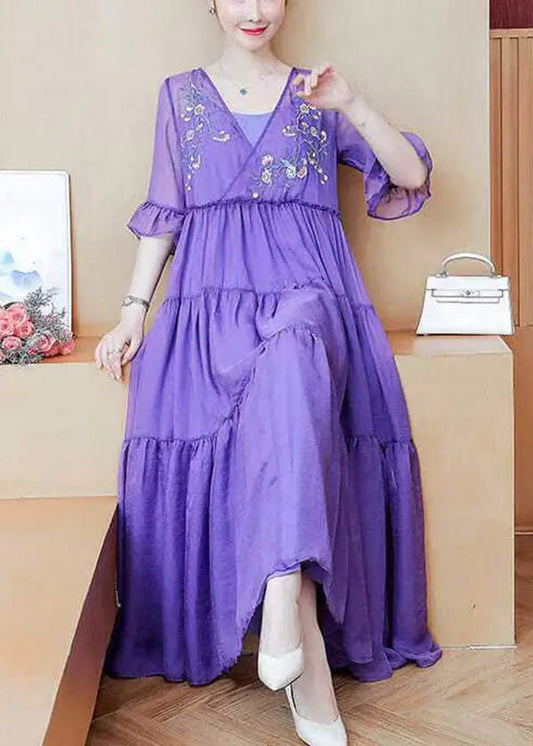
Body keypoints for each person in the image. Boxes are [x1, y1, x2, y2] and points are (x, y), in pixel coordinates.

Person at [96, 0, 442, 743]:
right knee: (285, 412)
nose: (253, 9)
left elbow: (410, 173)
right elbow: (166, 212)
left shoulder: (318, 92)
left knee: (294, 353)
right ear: (211, 3)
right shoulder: (180, 97)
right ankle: (300, 640)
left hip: (309, 293)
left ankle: (283, 594)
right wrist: (131, 312)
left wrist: (353, 103)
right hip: (210, 309)